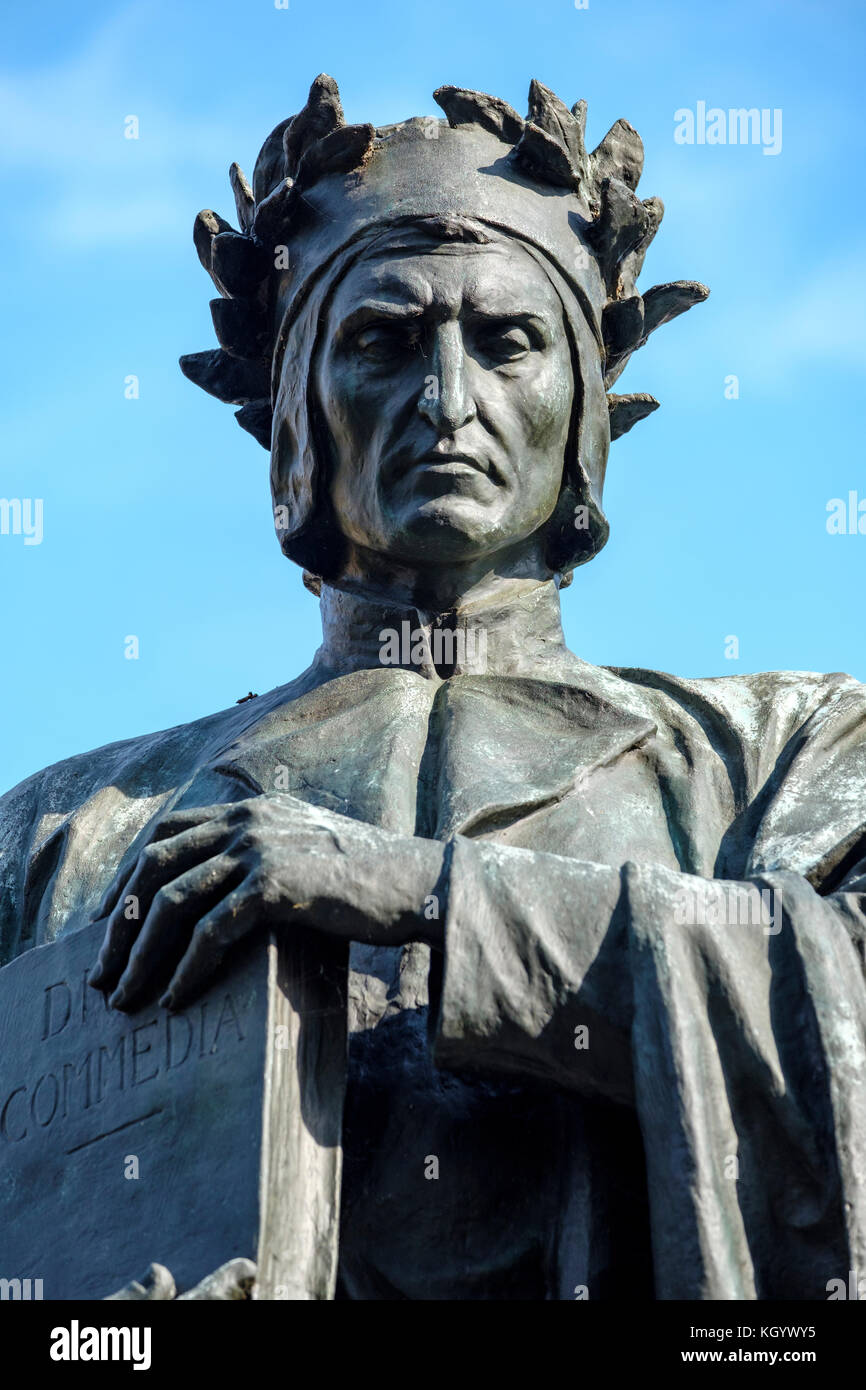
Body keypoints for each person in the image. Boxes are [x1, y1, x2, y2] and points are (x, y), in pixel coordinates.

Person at [3, 76, 865, 1301]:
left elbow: (845, 1035)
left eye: (506, 341)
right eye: (382, 340)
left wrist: (413, 890)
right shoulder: (62, 833)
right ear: (296, 420)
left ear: (581, 414)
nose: (446, 401)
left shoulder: (788, 754)